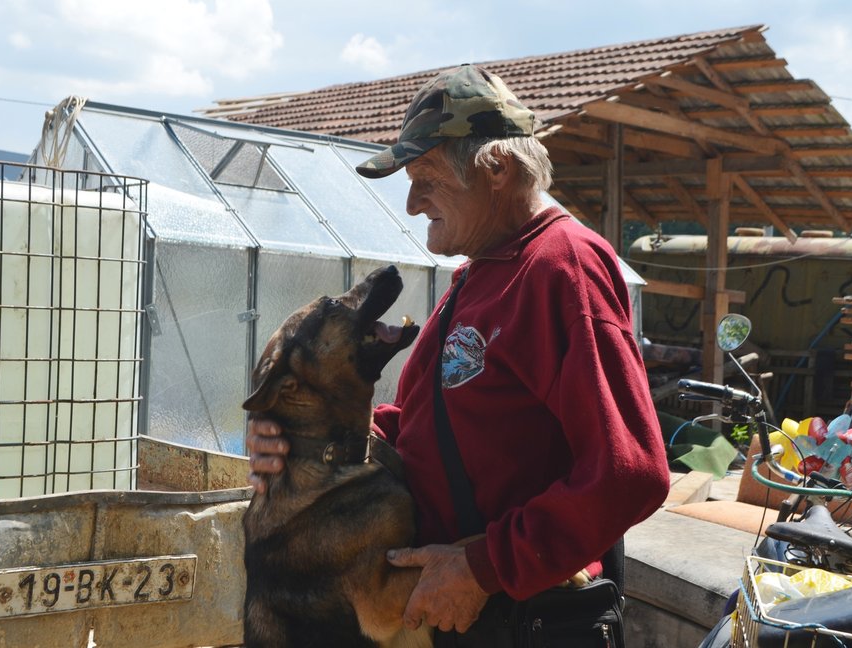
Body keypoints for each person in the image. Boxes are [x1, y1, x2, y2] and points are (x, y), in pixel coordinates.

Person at [247, 63, 670, 645]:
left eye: (426, 177)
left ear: (496, 169)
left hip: (527, 620)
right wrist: (299, 440)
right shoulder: (486, 270)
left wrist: (483, 567)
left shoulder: (560, 268)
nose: (413, 203)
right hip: (468, 615)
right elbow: (431, 425)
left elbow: (629, 474)